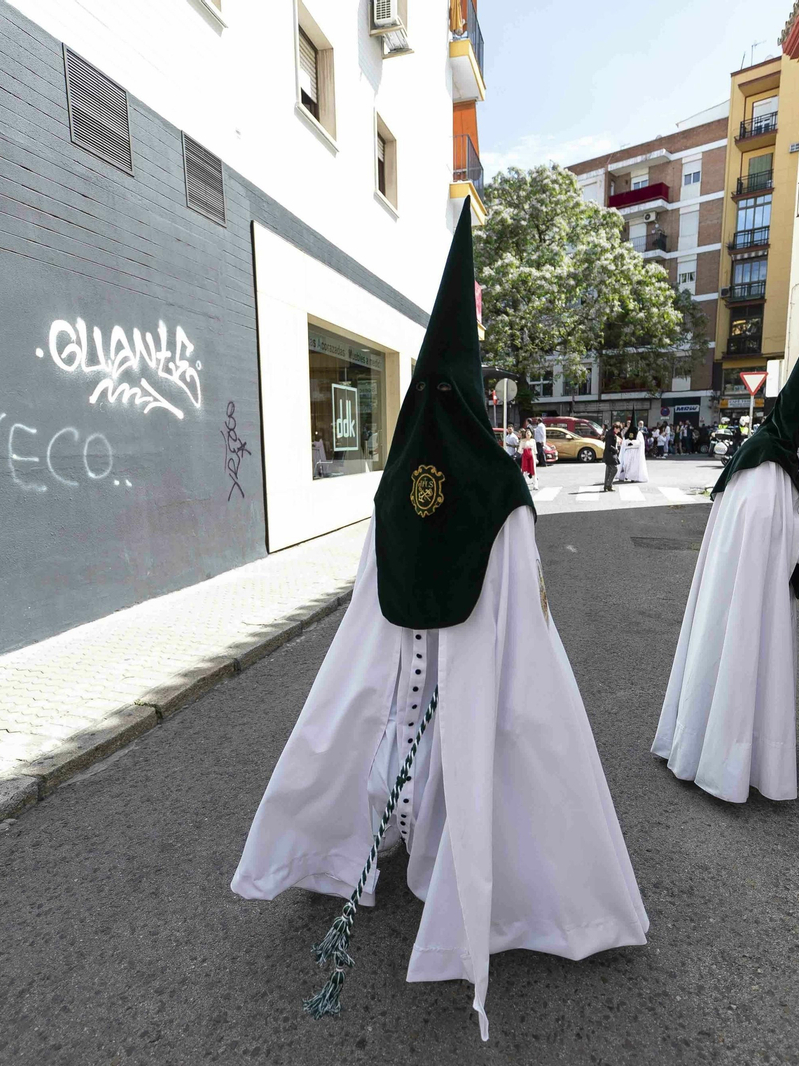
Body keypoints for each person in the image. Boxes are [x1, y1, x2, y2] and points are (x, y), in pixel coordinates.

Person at [232, 210, 648, 1041]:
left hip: (405, 657)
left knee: (401, 740)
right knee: (486, 754)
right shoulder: (498, 487)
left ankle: (385, 853)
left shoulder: (394, 484)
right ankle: (498, 889)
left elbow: (373, 584)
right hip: (474, 660)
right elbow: (523, 602)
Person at [651, 236, 799, 803]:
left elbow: (766, 532)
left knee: (725, 664)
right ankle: (726, 764)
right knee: (741, 666)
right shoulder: (770, 466)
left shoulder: (766, 455)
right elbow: (770, 535)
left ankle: (717, 753)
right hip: (750, 597)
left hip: (745, 588)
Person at [519, 421, 540, 490]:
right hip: (525, 457)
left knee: (533, 471)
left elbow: (535, 450)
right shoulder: (522, 441)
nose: (528, 434)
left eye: (529, 433)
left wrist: (536, 458)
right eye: (526, 433)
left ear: (531, 434)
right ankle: (523, 484)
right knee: (524, 471)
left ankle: (535, 485)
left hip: (532, 457)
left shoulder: (533, 441)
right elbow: (520, 450)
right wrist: (524, 451)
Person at [602, 421, 621, 491]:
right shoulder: (611, 434)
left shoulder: (610, 433)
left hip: (608, 454)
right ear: (616, 428)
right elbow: (609, 446)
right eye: (619, 429)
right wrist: (616, 450)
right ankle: (608, 484)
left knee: (609, 470)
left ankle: (607, 486)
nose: (619, 431)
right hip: (610, 454)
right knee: (614, 469)